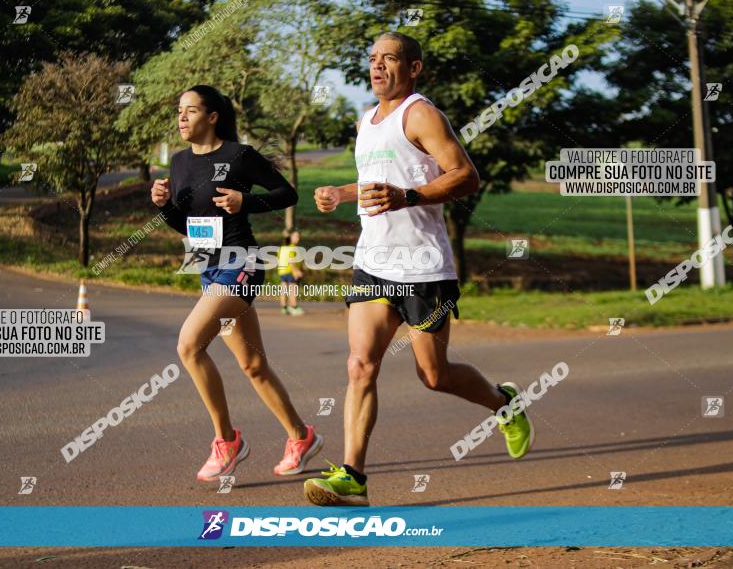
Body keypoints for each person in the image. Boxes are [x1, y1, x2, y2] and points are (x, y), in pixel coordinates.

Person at [303, 33, 533, 506]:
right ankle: (353, 479)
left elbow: (465, 176)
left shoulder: (421, 113)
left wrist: (408, 197)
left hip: (422, 265)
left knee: (434, 375)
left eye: (389, 58)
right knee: (360, 365)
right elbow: (377, 180)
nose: (378, 66)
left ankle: (503, 402)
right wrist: (340, 194)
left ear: (414, 68)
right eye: (372, 59)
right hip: (373, 261)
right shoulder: (366, 120)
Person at [150, 84, 323, 481]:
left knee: (189, 345)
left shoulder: (238, 156)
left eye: (190, 111)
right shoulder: (178, 164)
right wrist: (163, 207)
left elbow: (287, 193)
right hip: (208, 266)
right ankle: (302, 436)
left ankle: (226, 441)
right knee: (253, 364)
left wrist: (248, 203)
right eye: (179, 110)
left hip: (241, 262)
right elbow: (186, 223)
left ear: (212, 117)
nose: (181, 117)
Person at [277, 231, 305, 315]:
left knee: (284, 289)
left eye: (299, 237)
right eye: (296, 237)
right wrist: (296, 271)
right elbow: (291, 260)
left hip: (282, 271)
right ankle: (294, 307)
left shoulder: (281, 248)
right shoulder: (293, 248)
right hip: (290, 271)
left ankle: (284, 308)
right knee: (293, 289)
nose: (298, 238)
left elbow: (279, 259)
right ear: (290, 238)